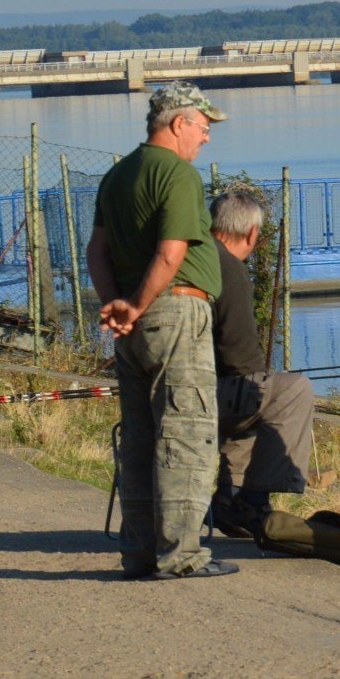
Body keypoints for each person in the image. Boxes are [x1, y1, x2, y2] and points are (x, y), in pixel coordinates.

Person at [87, 80, 235, 581]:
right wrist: (140, 302)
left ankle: (139, 551)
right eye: (204, 125)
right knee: (186, 433)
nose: (208, 136)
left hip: (135, 324)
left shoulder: (118, 174)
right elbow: (172, 252)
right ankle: (181, 556)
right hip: (175, 311)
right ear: (179, 123)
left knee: (141, 439)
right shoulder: (178, 173)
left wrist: (118, 305)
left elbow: (97, 252)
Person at [204, 185, 314, 540]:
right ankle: (252, 498)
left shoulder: (197, 256)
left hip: (171, 388)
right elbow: (242, 360)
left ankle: (229, 498)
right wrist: (262, 378)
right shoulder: (229, 267)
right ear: (252, 233)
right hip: (201, 396)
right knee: (287, 391)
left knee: (254, 394)